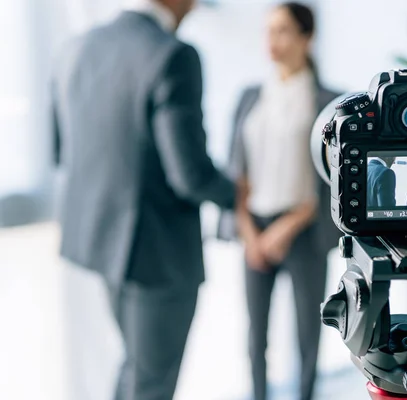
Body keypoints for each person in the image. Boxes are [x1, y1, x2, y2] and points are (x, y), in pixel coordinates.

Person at [51, 1, 236, 399]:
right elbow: (190, 175)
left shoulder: (82, 45)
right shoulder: (174, 54)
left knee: (137, 367)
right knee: (151, 383)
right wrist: (239, 193)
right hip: (159, 253)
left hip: (103, 241)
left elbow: (63, 146)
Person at [217, 3, 340, 400]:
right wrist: (249, 231)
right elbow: (238, 171)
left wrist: (290, 224)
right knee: (255, 338)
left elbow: (330, 182)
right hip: (255, 228)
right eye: (269, 30)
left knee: (307, 335)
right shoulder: (250, 97)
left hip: (306, 229)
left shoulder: (329, 102)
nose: (273, 39)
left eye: (284, 30)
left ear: (307, 37)